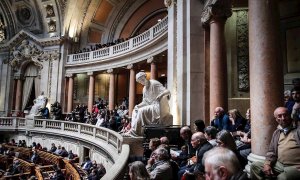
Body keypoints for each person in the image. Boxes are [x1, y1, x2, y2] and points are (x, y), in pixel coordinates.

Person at [251, 107, 300, 179]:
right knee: (254, 166)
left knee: (281, 178)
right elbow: (271, 152)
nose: (283, 118)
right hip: (279, 165)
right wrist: (267, 164)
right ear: (276, 119)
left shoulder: (298, 129)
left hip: (295, 166)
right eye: (279, 116)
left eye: (285, 115)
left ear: (290, 115)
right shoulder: (277, 132)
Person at [124, 72, 172, 136]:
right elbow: (145, 102)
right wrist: (138, 106)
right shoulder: (144, 89)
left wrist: (161, 95)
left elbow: (167, 91)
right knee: (135, 110)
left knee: (141, 111)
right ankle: (136, 130)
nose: (141, 82)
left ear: (144, 77)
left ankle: (134, 132)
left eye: (141, 80)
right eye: (139, 81)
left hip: (158, 106)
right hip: (150, 106)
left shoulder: (154, 83)